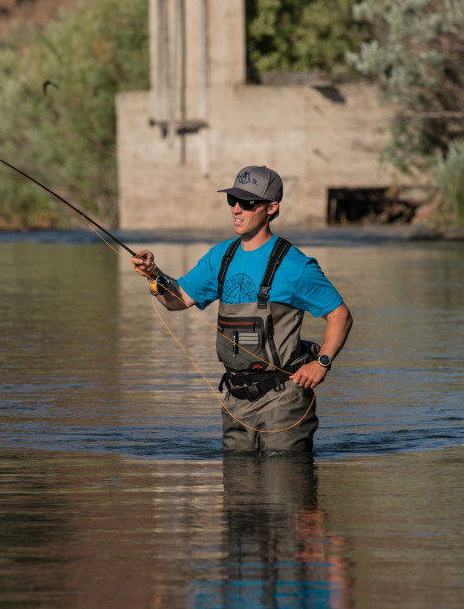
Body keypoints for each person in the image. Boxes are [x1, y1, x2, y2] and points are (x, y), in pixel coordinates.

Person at [131, 165, 352, 454]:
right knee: (237, 495)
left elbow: (340, 315)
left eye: (247, 203)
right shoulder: (220, 256)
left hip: (283, 401)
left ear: (271, 208)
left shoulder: (296, 265)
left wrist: (321, 362)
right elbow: (178, 299)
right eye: (232, 200)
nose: (236, 209)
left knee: (284, 491)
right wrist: (153, 274)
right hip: (235, 402)